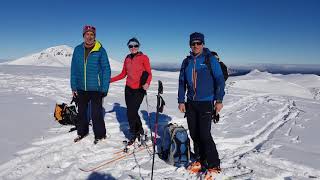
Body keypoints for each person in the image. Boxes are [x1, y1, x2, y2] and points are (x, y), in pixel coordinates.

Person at [178, 32, 225, 176]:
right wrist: (181, 100)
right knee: (194, 133)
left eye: (198, 43)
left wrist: (219, 100)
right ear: (190, 45)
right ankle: (199, 159)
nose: (196, 46)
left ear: (203, 44)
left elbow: (219, 79)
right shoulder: (186, 62)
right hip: (191, 102)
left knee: (204, 134)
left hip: (206, 102)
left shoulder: (209, 59)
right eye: (193, 43)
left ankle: (213, 164)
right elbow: (182, 82)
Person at [70, 25, 111, 144]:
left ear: (95, 36)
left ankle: (100, 134)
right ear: (83, 36)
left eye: (92, 34)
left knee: (96, 113)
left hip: (96, 88)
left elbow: (106, 69)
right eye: (87, 34)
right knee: (82, 112)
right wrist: (74, 87)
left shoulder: (100, 50)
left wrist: (104, 88)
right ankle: (82, 132)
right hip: (81, 87)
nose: (89, 37)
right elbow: (74, 69)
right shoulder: (77, 50)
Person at [110, 37, 152, 145]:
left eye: (135, 45)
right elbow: (123, 74)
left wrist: (147, 83)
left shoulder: (144, 58)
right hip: (128, 89)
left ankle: (134, 133)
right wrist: (110, 80)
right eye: (131, 46)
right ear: (128, 47)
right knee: (132, 111)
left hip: (139, 89)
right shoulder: (127, 58)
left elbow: (149, 73)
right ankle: (139, 130)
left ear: (138, 46)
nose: (133, 48)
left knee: (131, 112)